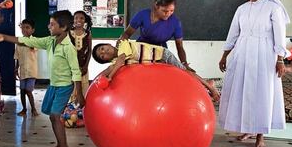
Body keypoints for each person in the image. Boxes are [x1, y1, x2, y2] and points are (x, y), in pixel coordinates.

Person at [0, 10, 85, 147]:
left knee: (55, 116)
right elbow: (26, 41)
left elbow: (76, 71)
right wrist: (4, 37)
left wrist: (79, 93)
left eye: (52, 24)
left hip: (64, 87)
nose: (49, 26)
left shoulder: (69, 47)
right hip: (53, 85)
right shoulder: (50, 41)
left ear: (64, 27)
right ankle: (60, 145)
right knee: (52, 117)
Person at [218, 0, 290, 147]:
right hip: (243, 53)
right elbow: (233, 33)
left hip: (265, 54)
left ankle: (260, 135)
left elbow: (280, 35)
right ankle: (248, 129)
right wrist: (224, 55)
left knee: (261, 93)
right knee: (244, 91)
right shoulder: (242, 9)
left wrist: (280, 59)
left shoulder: (273, 8)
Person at [92, 40, 220, 102]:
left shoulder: (122, 45)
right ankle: (206, 89)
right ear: (107, 60)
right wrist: (95, 86)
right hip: (157, 66)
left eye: (102, 48)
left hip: (162, 55)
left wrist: (110, 77)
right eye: (102, 56)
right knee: (179, 83)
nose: (104, 52)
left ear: (108, 44)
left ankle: (211, 87)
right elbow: (108, 69)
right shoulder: (114, 64)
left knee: (186, 73)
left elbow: (119, 61)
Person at [118, 0, 195, 72]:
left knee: (169, 74)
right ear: (156, 6)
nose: (168, 14)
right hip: (141, 50)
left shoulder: (175, 23)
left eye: (171, 11)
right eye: (165, 11)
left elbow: (179, 46)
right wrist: (119, 49)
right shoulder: (143, 15)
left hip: (161, 53)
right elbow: (127, 33)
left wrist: (184, 63)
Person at [14, 19, 39, 117]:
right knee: (22, 91)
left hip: (32, 71)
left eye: (27, 27)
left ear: (33, 30)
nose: (24, 29)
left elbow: (33, 47)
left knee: (28, 90)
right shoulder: (18, 42)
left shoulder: (34, 41)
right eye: (23, 27)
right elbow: (17, 57)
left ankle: (33, 109)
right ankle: (24, 109)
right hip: (23, 71)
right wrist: (16, 69)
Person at [68, 10, 93, 101]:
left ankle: (80, 110)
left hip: (83, 66)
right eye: (76, 18)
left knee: (83, 87)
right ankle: (70, 109)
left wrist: (86, 65)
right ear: (73, 20)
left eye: (81, 18)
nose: (78, 20)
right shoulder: (69, 33)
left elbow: (90, 50)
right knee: (71, 88)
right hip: (70, 66)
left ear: (85, 20)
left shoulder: (88, 34)